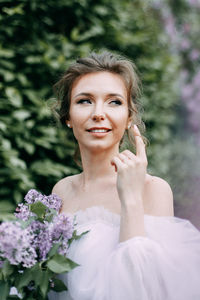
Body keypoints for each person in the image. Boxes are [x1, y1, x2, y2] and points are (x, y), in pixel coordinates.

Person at [48, 51, 200, 300]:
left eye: (114, 102)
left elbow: (147, 288)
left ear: (129, 117)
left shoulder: (153, 190)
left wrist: (130, 197)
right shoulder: (62, 191)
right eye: (84, 101)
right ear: (67, 117)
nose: (98, 113)